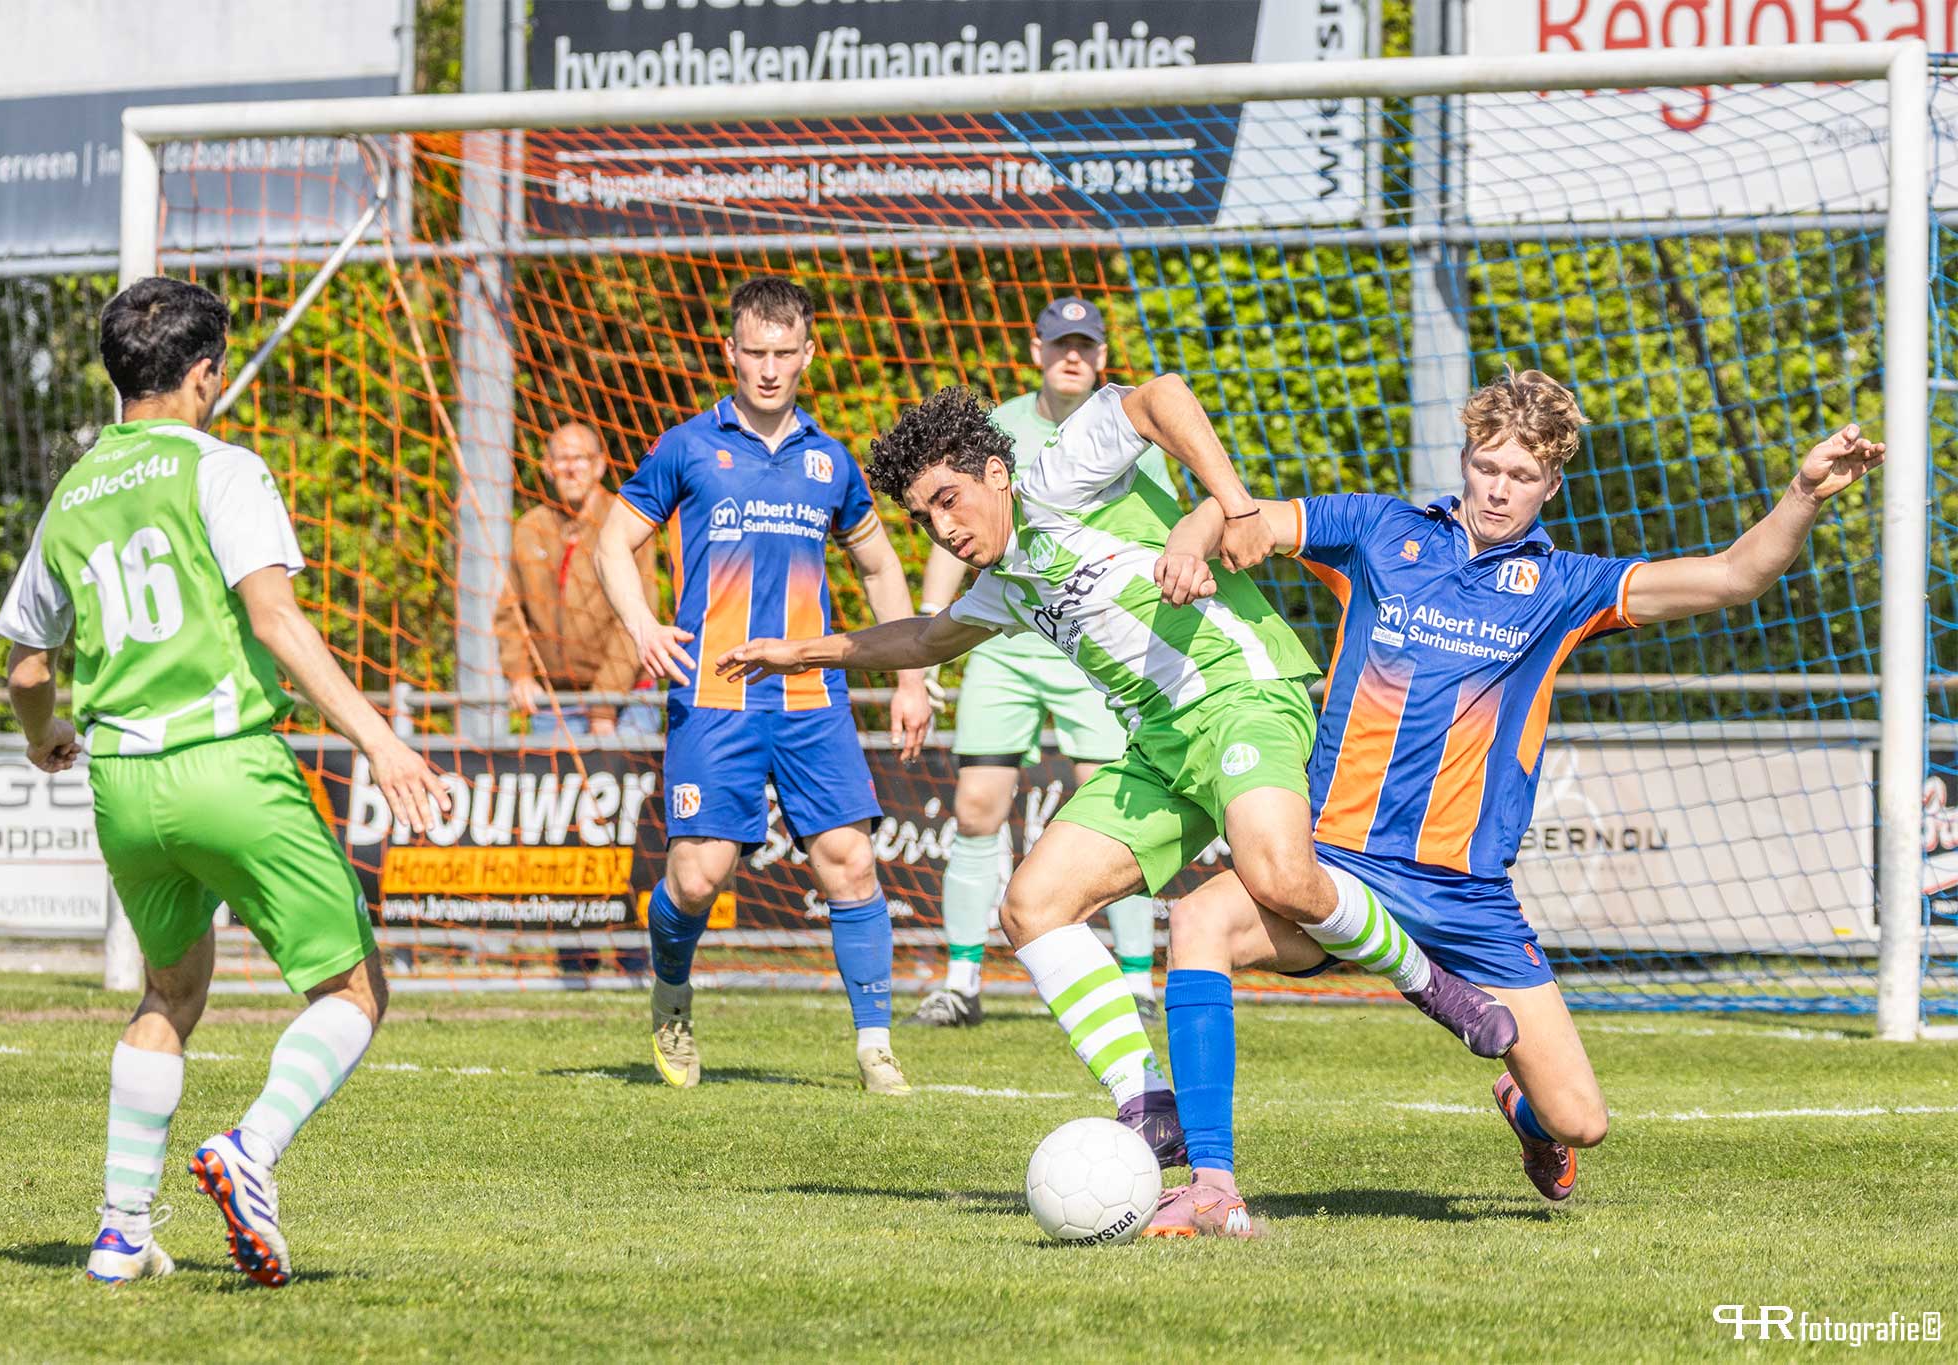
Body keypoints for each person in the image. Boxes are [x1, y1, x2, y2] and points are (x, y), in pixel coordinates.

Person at [713, 378, 1519, 1210]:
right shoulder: (1004, 583)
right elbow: (924, 636)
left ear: (996, 473)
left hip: (1242, 692)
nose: (943, 529)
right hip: (1160, 749)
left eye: (948, 500)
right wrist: (799, 651)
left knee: (1280, 875)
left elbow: (1161, 395)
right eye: (923, 518)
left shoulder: (1059, 477)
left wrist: (1233, 505)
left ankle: (1434, 984)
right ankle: (1149, 1105)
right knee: (1031, 905)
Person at [1150, 369, 1885, 1225]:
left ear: (1552, 484)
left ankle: (1527, 1114)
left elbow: (1731, 576)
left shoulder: (1565, 585)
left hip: (1465, 897)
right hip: (1334, 868)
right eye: (1488, 466)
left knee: (1582, 1120)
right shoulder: (1381, 530)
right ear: (1465, 459)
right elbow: (1245, 516)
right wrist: (1192, 534)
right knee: (1200, 918)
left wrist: (1802, 494)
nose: (1499, 489)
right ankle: (1212, 1181)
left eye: (1523, 475)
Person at [0, 277, 450, 1286]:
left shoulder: (72, 493)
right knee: (355, 987)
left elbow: (26, 667)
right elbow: (277, 620)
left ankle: (120, 1232)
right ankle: (250, 1148)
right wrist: (382, 741)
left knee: (170, 988)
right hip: (226, 760)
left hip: (123, 784)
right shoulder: (223, 468)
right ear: (205, 374)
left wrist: (42, 736)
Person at [595, 277, 933, 1095]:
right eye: (756, 353)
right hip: (713, 695)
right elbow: (613, 542)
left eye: (785, 353)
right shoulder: (687, 446)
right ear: (731, 353)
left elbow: (880, 565)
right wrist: (641, 625)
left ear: (808, 353)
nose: (770, 369)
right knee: (696, 878)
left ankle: (876, 1046)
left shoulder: (831, 460)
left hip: (813, 700)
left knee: (850, 861)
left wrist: (912, 677)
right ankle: (671, 995)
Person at [912, 297, 1164, 1028]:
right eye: (1060, 344)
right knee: (976, 805)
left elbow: (1160, 532)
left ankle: (1137, 979)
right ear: (1038, 351)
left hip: (1092, 646)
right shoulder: (998, 428)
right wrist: (924, 653)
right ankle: (961, 981)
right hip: (1006, 644)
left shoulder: (1129, 426)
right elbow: (951, 534)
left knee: (1119, 807)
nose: (1072, 357)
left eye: (1085, 345)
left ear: (1102, 356)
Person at [496, 421, 660, 740]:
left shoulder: (626, 520)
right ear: (548, 467)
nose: (571, 469)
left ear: (599, 465)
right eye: (562, 459)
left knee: (620, 771)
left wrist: (604, 703)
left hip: (626, 698)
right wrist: (519, 674)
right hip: (556, 701)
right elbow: (510, 613)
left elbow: (637, 619)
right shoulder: (530, 528)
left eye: (580, 458)